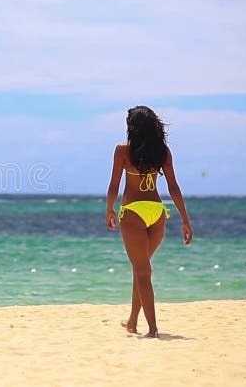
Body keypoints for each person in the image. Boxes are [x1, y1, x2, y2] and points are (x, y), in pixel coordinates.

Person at [106, 106, 193, 338]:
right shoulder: (162, 152)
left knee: (142, 271)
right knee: (141, 269)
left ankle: (153, 329)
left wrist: (110, 210)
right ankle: (133, 322)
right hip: (157, 212)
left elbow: (114, 184)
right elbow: (173, 187)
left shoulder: (123, 151)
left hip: (133, 212)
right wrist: (185, 219)